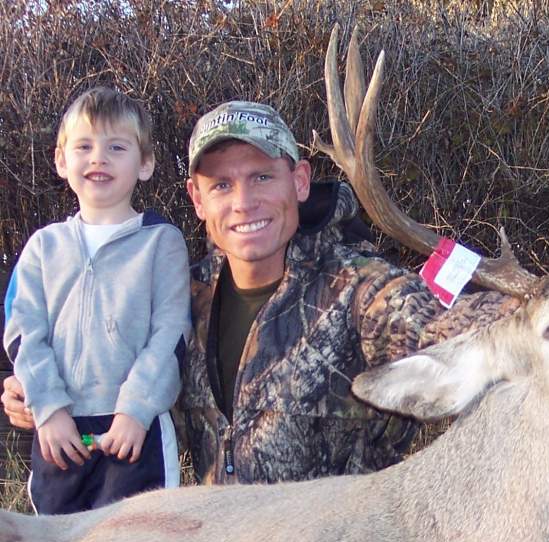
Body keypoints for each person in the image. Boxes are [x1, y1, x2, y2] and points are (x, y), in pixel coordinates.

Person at [3, 100, 519, 486]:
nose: (244, 202)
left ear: (298, 180)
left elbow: (449, 328)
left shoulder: (358, 287)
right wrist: (40, 397)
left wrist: (543, 316)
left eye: (261, 177)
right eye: (222, 185)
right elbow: (113, 366)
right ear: (197, 200)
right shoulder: (184, 294)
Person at [2, 87, 191, 513]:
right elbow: (22, 335)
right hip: (59, 434)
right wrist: (49, 410)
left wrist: (135, 412)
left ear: (144, 164)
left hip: (134, 436)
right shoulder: (42, 248)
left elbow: (170, 335)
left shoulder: (161, 243)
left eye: (116, 147)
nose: (98, 158)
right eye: (83, 146)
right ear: (60, 160)